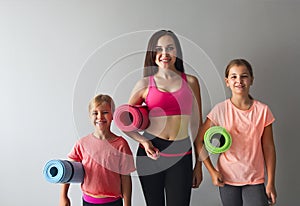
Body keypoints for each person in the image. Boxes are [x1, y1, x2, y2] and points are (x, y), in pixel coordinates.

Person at [124, 30, 203, 206]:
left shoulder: (190, 82)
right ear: (152, 54)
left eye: (170, 48)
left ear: (177, 52)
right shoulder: (144, 84)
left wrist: (199, 164)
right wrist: (143, 142)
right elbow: (124, 121)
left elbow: (197, 125)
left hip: (181, 152)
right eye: (159, 49)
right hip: (151, 152)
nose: (165, 54)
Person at [195, 59, 277, 205]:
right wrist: (212, 171)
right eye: (234, 77)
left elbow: (269, 148)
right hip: (227, 179)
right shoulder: (220, 110)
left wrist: (270, 182)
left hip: (255, 179)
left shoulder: (262, 111)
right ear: (227, 81)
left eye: (244, 76)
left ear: (251, 80)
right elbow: (199, 141)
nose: (239, 80)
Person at [59, 94, 136, 206]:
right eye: (95, 113)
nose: (100, 117)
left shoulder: (121, 145)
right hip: (88, 202)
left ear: (113, 115)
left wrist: (127, 203)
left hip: (114, 203)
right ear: (90, 116)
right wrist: (63, 196)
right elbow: (68, 170)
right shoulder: (82, 144)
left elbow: (125, 177)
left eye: (105, 112)